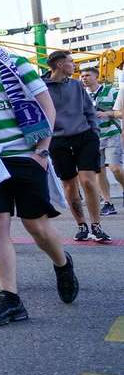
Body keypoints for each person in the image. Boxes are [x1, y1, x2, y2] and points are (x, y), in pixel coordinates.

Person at [0, 12, 78, 327]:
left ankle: (62, 264)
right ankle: (10, 298)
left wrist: (42, 150)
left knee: (35, 226)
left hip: (24, 154)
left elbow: (46, 107)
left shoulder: (18, 66)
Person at [45, 51, 113, 243]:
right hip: (58, 141)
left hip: (84, 137)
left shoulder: (76, 85)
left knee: (88, 181)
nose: (74, 66)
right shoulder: (41, 88)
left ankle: (96, 226)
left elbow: (89, 110)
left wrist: (95, 131)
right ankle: (81, 225)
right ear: (59, 65)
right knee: (69, 185)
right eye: (71, 62)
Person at [80, 67, 124, 217]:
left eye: (87, 75)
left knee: (115, 169)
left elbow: (121, 112)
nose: (84, 78)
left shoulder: (112, 91)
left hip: (112, 133)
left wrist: (107, 113)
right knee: (99, 170)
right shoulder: (81, 95)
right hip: (93, 137)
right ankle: (108, 203)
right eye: (82, 76)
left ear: (96, 76)